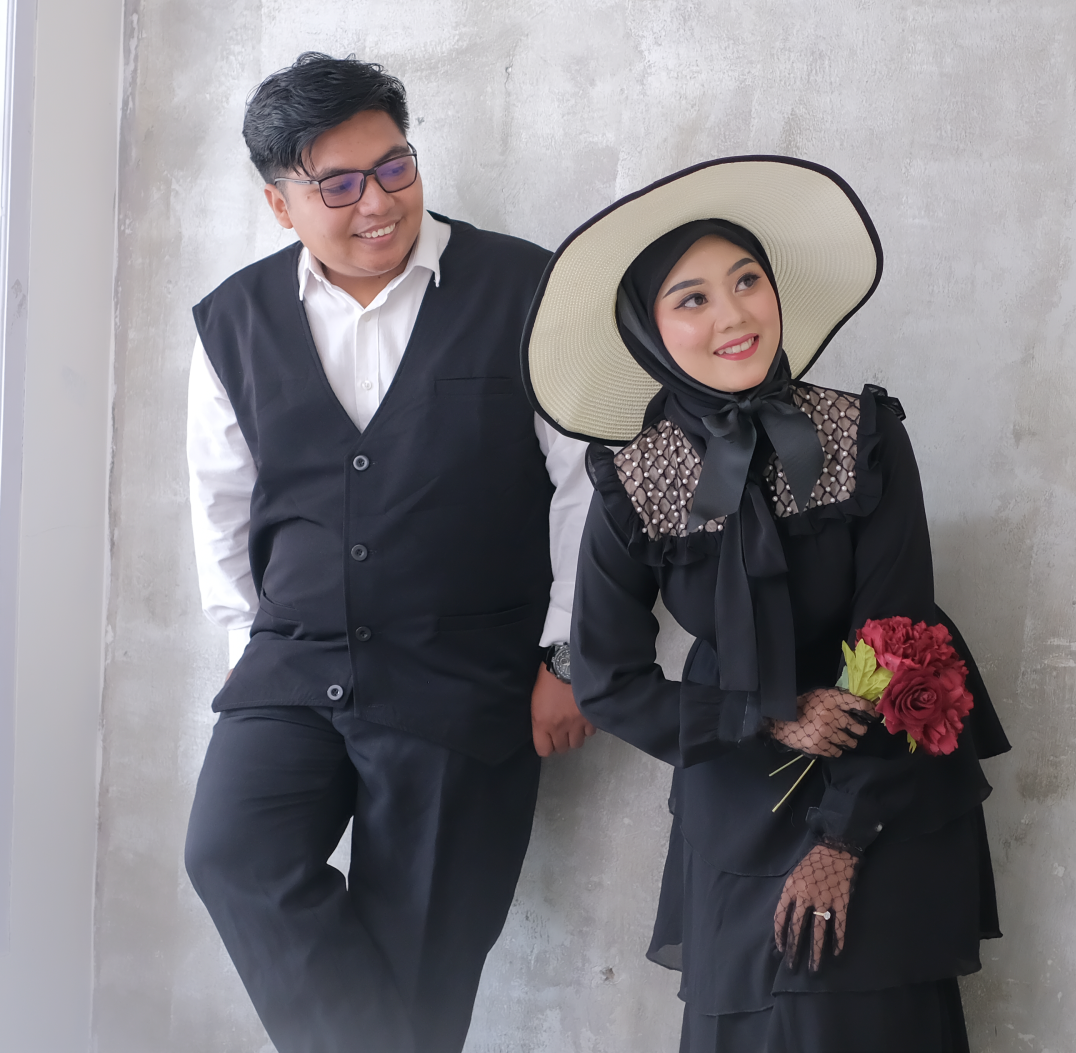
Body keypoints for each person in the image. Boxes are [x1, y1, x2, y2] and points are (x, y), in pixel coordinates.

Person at [521, 156, 1010, 1052]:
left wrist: (842, 841)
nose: (734, 314)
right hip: (739, 784)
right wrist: (766, 717)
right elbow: (608, 679)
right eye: (693, 298)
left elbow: (900, 636)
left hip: (883, 772)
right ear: (648, 329)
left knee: (867, 1021)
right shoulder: (634, 481)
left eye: (748, 280)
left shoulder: (862, 434)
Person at [182, 52, 596, 1053]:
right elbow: (220, 501)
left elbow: (589, 487)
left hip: (466, 672)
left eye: (395, 166)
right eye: (339, 185)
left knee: (422, 959)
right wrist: (245, 644)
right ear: (281, 204)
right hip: (293, 661)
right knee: (231, 853)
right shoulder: (235, 319)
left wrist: (569, 656)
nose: (378, 202)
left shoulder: (527, 287)